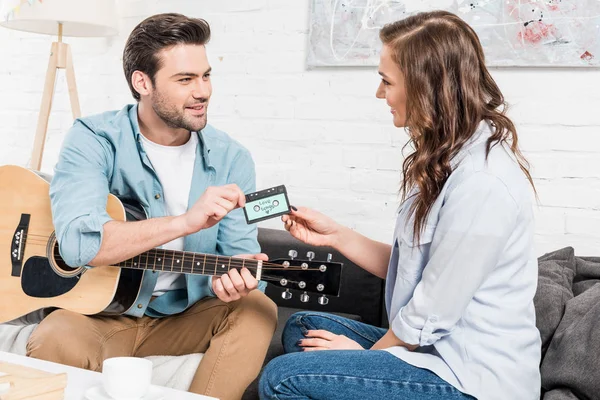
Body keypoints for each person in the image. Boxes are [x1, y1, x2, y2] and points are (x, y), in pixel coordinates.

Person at [259, 10, 541, 400]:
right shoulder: (447, 156)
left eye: (386, 81)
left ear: (426, 86)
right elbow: (416, 269)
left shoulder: (483, 183)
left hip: (471, 377)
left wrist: (363, 359)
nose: (380, 94)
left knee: (281, 378)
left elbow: (429, 312)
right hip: (435, 350)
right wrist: (336, 235)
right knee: (303, 327)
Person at [26, 13, 277, 400]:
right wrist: (185, 222)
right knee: (53, 337)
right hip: (97, 316)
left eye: (206, 76)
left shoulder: (232, 159)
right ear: (142, 82)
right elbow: (78, 245)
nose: (203, 91)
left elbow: (236, 255)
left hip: (184, 316)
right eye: (185, 80)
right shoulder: (93, 138)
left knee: (256, 308)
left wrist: (230, 282)